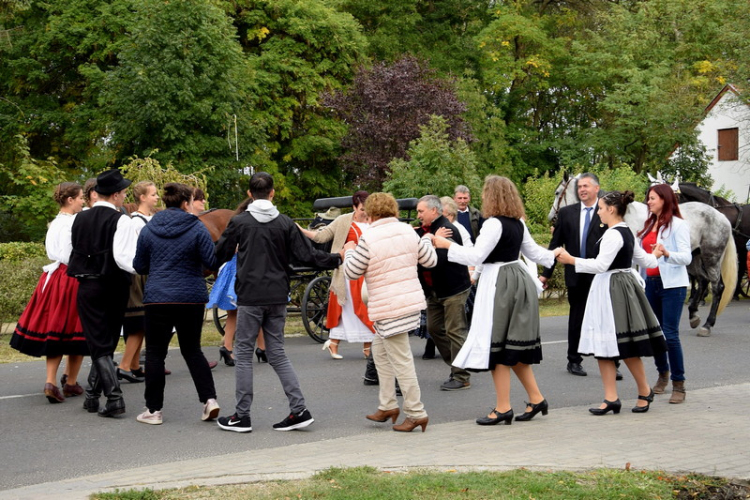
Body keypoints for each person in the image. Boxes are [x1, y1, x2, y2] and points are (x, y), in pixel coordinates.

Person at [214, 172, 342, 433]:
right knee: (277, 353)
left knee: (244, 354)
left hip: (250, 296)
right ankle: (299, 410)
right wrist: (337, 258)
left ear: (250, 194)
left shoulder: (239, 222)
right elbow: (307, 255)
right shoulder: (285, 223)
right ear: (272, 193)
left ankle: (242, 415)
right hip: (277, 296)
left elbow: (220, 254)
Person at [432, 176, 558, 426]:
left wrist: (447, 245)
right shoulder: (517, 222)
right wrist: (556, 255)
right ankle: (536, 398)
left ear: (492, 196)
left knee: (496, 346)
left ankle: (503, 408)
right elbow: (534, 253)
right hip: (516, 279)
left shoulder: (493, 224)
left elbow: (478, 255)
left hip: (499, 283)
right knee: (512, 348)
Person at [557, 191, 667, 415]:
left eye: (600, 208)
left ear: (611, 210)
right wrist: (655, 254)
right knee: (604, 345)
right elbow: (644, 260)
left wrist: (571, 260)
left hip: (613, 290)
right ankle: (611, 398)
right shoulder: (626, 232)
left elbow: (600, 265)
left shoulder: (614, 235)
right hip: (612, 288)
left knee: (625, 345)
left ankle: (644, 391)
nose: (598, 212)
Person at [344, 192, 437, 432]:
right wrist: (426, 241)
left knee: (402, 360)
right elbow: (430, 261)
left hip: (388, 307)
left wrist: (349, 251)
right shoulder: (408, 231)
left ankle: (416, 412)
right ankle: (387, 405)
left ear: (370, 213)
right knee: (380, 351)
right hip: (408, 303)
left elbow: (352, 272)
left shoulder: (369, 237)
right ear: (393, 210)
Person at [132, 183, 220, 425]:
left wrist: (159, 267)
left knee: (155, 354)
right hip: (191, 296)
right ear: (185, 203)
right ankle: (209, 400)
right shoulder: (197, 228)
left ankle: (154, 410)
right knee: (192, 350)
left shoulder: (149, 230)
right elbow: (210, 261)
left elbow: (139, 266)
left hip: (158, 297)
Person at [67, 169, 138, 417]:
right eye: (124, 192)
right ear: (116, 195)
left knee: (99, 341)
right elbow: (123, 258)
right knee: (104, 341)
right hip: (115, 285)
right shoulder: (122, 220)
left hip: (89, 285)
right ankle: (111, 397)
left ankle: (96, 396)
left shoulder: (79, 219)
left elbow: (70, 254)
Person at [10, 182, 88, 403]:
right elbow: (69, 253)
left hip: (53, 278)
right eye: (81, 197)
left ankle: (52, 380)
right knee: (76, 327)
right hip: (70, 277)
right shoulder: (73, 223)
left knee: (57, 326)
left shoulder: (55, 222)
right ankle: (69, 381)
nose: (83, 201)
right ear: (70, 200)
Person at [540, 173, 607, 378]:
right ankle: (574, 361)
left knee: (605, 320)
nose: (582, 190)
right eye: (579, 187)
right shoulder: (567, 213)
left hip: (601, 276)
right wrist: (546, 275)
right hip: (576, 276)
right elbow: (555, 246)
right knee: (577, 318)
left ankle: (611, 362)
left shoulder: (606, 212)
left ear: (597, 188)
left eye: (586, 186)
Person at [298, 191, 374, 360]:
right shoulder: (343, 221)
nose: (365, 212)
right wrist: (302, 230)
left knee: (366, 308)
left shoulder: (375, 220)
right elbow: (321, 236)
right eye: (362, 209)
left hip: (369, 270)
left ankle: (366, 346)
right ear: (354, 207)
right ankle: (336, 343)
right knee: (350, 308)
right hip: (349, 270)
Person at [638, 184, 692, 404]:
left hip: (672, 285)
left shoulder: (678, 225)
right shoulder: (649, 224)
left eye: (652, 198)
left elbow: (686, 257)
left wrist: (668, 253)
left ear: (664, 199)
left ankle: (679, 384)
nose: (648, 202)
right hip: (651, 283)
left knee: (670, 334)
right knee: (655, 334)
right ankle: (663, 374)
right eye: (648, 199)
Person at [415, 195, 472, 391]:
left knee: (455, 331)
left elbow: (437, 259)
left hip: (453, 289)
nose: (418, 215)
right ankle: (458, 365)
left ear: (434, 210)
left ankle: (461, 375)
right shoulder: (426, 230)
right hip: (434, 291)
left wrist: (427, 242)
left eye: (421, 211)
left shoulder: (447, 230)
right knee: (433, 328)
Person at [207, 198, 267, 367]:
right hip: (244, 269)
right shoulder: (250, 226)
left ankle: (230, 346)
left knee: (236, 311)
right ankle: (261, 348)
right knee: (254, 308)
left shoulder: (237, 224)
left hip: (235, 268)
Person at [118, 181, 159, 384]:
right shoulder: (136, 222)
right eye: (153, 194)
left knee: (143, 323)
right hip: (138, 275)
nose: (156, 197)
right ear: (142, 197)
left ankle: (134, 365)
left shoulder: (150, 219)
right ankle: (124, 365)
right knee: (138, 323)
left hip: (149, 273)